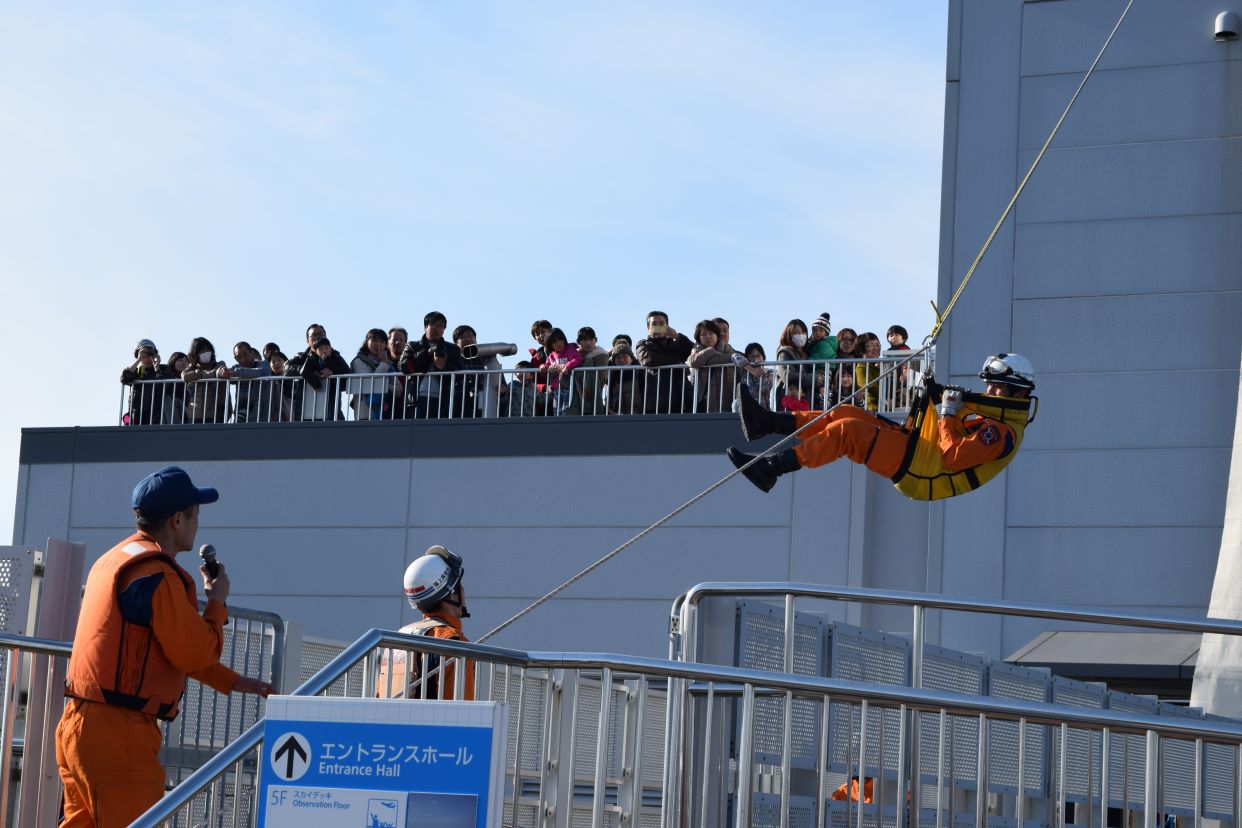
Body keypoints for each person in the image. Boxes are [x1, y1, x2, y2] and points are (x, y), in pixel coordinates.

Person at [55, 465, 274, 827]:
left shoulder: (114, 560)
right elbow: (196, 652)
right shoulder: (158, 575)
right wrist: (217, 603)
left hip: (80, 724)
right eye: (195, 514)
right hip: (119, 735)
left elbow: (163, 649)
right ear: (176, 520)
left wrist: (235, 681)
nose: (197, 522)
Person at [727, 353, 1037, 500]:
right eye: (991, 385)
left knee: (847, 432)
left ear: (1019, 394)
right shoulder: (990, 415)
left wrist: (946, 415)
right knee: (844, 412)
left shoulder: (1000, 433)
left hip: (923, 470)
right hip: (918, 450)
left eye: (998, 387)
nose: (990, 392)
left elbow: (952, 457)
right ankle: (766, 423)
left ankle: (771, 469)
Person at [377, 545, 474, 700]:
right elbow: (460, 714)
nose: (463, 590)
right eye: (459, 585)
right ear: (451, 593)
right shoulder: (454, 645)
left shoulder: (397, 640)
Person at [398, 311, 466, 418]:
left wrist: (443, 366)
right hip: (417, 397)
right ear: (425, 327)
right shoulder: (413, 346)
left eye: (440, 326)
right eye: (433, 325)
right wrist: (427, 353)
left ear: (444, 330)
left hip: (443, 398)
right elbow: (404, 367)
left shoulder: (452, 349)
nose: (437, 328)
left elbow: (460, 372)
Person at [636, 310, 694, 414]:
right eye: (654, 324)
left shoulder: (676, 343)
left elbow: (693, 352)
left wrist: (678, 337)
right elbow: (648, 359)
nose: (658, 327)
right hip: (656, 401)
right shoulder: (643, 344)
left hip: (682, 398)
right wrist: (677, 363)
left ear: (667, 326)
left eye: (662, 324)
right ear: (648, 328)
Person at [285, 336, 351, 421]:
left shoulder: (337, 357)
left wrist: (332, 372)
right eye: (321, 349)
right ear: (315, 351)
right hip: (311, 401)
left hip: (331, 397)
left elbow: (346, 371)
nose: (324, 351)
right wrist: (316, 384)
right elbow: (304, 371)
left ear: (331, 349)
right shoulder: (310, 358)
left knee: (331, 416)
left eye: (327, 348)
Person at [120, 339, 178, 425]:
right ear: (137, 353)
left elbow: (167, 386)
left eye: (150, 351)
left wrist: (157, 368)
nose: (147, 354)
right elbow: (124, 378)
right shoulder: (137, 370)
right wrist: (138, 360)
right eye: (143, 351)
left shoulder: (164, 368)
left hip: (158, 414)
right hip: (137, 415)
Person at [686, 319, 736, 413]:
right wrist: (710, 350)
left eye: (711, 333)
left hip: (723, 398)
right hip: (702, 399)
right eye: (704, 334)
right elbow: (693, 361)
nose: (708, 336)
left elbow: (732, 358)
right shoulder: (697, 348)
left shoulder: (726, 347)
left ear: (717, 335)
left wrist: (706, 360)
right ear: (699, 338)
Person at [349, 328, 395, 421]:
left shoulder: (388, 363)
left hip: (386, 414)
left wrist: (388, 387)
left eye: (382, 341)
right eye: (374, 340)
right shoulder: (359, 361)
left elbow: (398, 388)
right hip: (365, 414)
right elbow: (369, 384)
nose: (378, 344)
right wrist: (384, 364)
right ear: (366, 343)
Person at [220, 341, 272, 423]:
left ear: (252, 353)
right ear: (235, 359)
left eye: (245, 354)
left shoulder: (263, 364)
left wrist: (235, 372)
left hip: (261, 418)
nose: (243, 359)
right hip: (240, 419)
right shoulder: (236, 367)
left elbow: (261, 372)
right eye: (239, 357)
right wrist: (222, 372)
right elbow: (222, 374)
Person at [181, 337, 229, 423]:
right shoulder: (192, 367)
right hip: (193, 414)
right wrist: (199, 371)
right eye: (202, 351)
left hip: (216, 412)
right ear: (195, 354)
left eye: (208, 350)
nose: (206, 353)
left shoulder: (219, 364)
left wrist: (198, 375)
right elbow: (185, 376)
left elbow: (217, 373)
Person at [566, 326, 609, 416]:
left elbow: (600, 378)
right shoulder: (574, 356)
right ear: (578, 342)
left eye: (591, 339)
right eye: (584, 340)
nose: (588, 343)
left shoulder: (601, 355)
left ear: (595, 340)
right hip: (575, 397)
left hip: (593, 396)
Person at [774, 319, 812, 412]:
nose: (801, 335)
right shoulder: (784, 352)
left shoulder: (808, 353)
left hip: (806, 402)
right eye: (796, 333)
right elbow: (788, 375)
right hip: (789, 404)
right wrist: (814, 378)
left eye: (803, 332)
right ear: (789, 335)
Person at [543, 327, 583, 415]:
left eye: (560, 339)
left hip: (568, 386)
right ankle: (558, 425)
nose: (558, 343)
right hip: (556, 387)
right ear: (550, 344)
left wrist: (567, 367)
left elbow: (578, 358)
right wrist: (543, 367)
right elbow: (547, 365)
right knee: (556, 409)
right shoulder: (552, 355)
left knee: (566, 408)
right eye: (554, 342)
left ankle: (566, 425)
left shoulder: (570, 349)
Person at [606, 343, 645, 415]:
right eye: (618, 357)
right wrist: (609, 410)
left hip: (637, 415)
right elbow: (610, 397)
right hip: (617, 416)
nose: (621, 359)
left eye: (625, 356)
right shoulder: (612, 375)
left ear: (631, 359)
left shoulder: (639, 372)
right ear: (614, 361)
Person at [852, 332, 883, 413]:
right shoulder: (861, 366)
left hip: (883, 406)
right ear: (862, 349)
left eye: (878, 345)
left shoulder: (880, 365)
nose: (876, 348)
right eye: (871, 345)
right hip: (872, 408)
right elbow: (870, 386)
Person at [739, 343, 775, 409]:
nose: (755, 359)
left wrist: (758, 373)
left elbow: (765, 389)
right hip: (746, 409)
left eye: (758, 355)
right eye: (752, 356)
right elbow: (734, 356)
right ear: (747, 359)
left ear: (763, 357)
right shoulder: (744, 370)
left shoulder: (769, 372)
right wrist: (751, 369)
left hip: (762, 410)